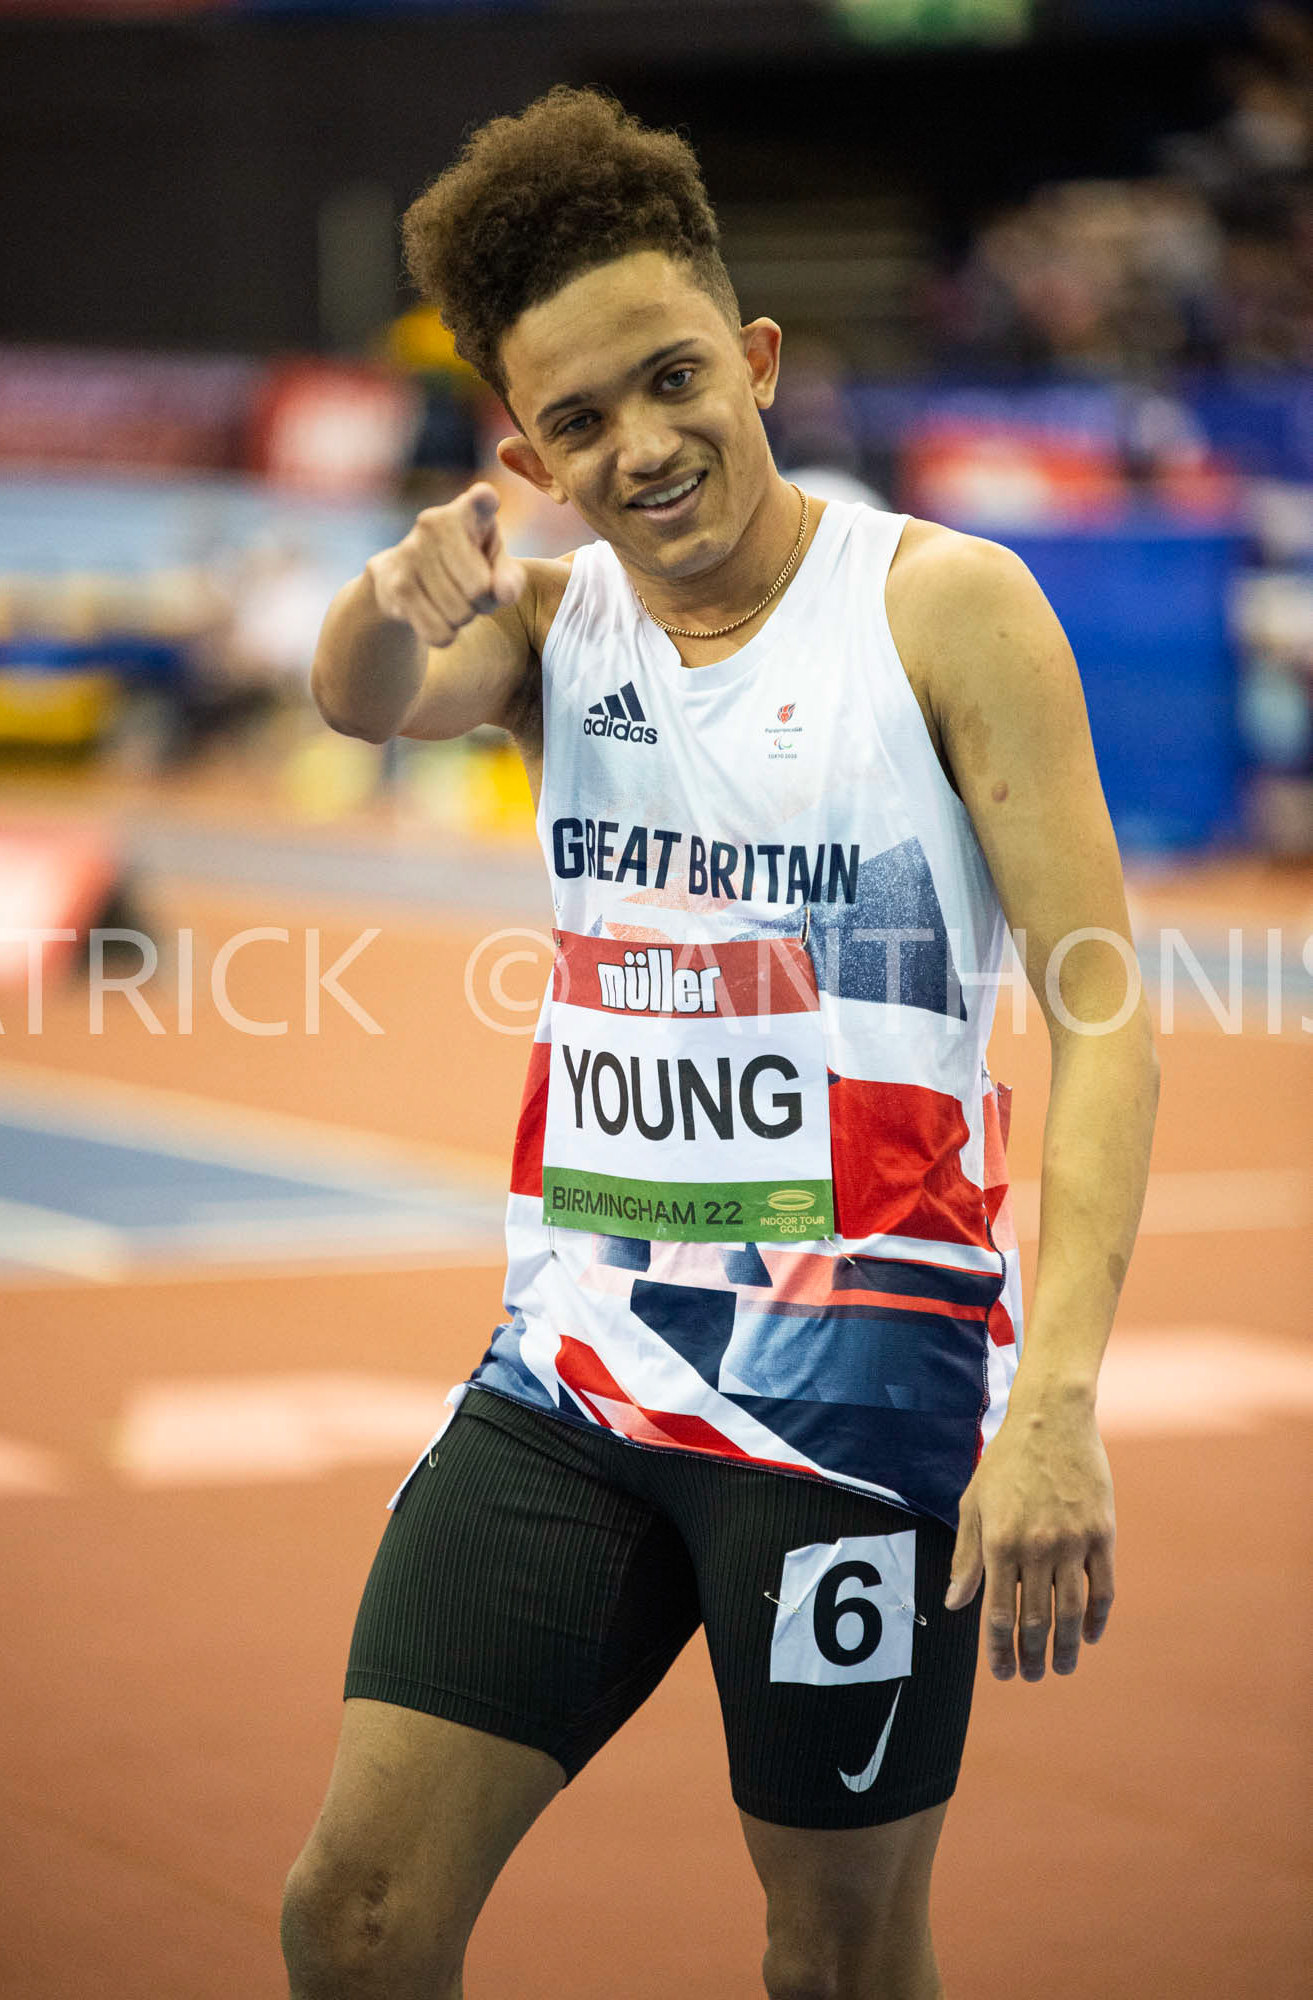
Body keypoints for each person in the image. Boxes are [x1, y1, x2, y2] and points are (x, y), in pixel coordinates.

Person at [283, 87, 1159, 2000]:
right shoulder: (551, 625)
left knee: (835, 1962)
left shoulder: (942, 611)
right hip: (576, 1375)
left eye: (674, 379)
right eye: (578, 423)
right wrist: (378, 597)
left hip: (851, 1411)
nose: (645, 447)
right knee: (349, 1919)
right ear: (527, 450)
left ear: (756, 359)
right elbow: (365, 702)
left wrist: (1062, 1407)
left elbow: (1106, 1022)